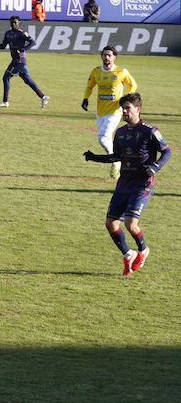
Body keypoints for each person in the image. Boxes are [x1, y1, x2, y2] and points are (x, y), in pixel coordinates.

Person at [83, 93, 171, 276]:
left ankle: (143, 250)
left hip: (142, 184)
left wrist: (155, 167)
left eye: (127, 108)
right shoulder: (121, 133)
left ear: (138, 109)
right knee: (111, 223)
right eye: (122, 108)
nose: (124, 111)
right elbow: (117, 157)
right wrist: (95, 157)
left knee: (131, 223)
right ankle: (128, 254)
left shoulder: (150, 131)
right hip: (123, 184)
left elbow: (167, 152)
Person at [82, 46, 138, 179]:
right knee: (105, 138)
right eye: (104, 55)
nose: (107, 57)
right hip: (100, 111)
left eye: (109, 55)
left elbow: (133, 84)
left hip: (115, 110)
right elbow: (89, 86)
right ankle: (117, 160)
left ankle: (116, 161)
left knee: (102, 137)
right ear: (101, 56)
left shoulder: (121, 72)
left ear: (114, 57)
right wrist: (85, 98)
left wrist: (128, 96)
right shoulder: (96, 71)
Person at [0, 16, 50, 109]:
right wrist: (1, 46)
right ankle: (43, 97)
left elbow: (33, 42)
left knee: (6, 77)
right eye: (12, 22)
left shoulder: (22, 33)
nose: (13, 24)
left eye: (15, 22)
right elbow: (4, 44)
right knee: (27, 80)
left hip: (19, 60)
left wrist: (23, 49)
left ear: (19, 23)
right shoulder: (8, 33)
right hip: (15, 60)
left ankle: (5, 102)